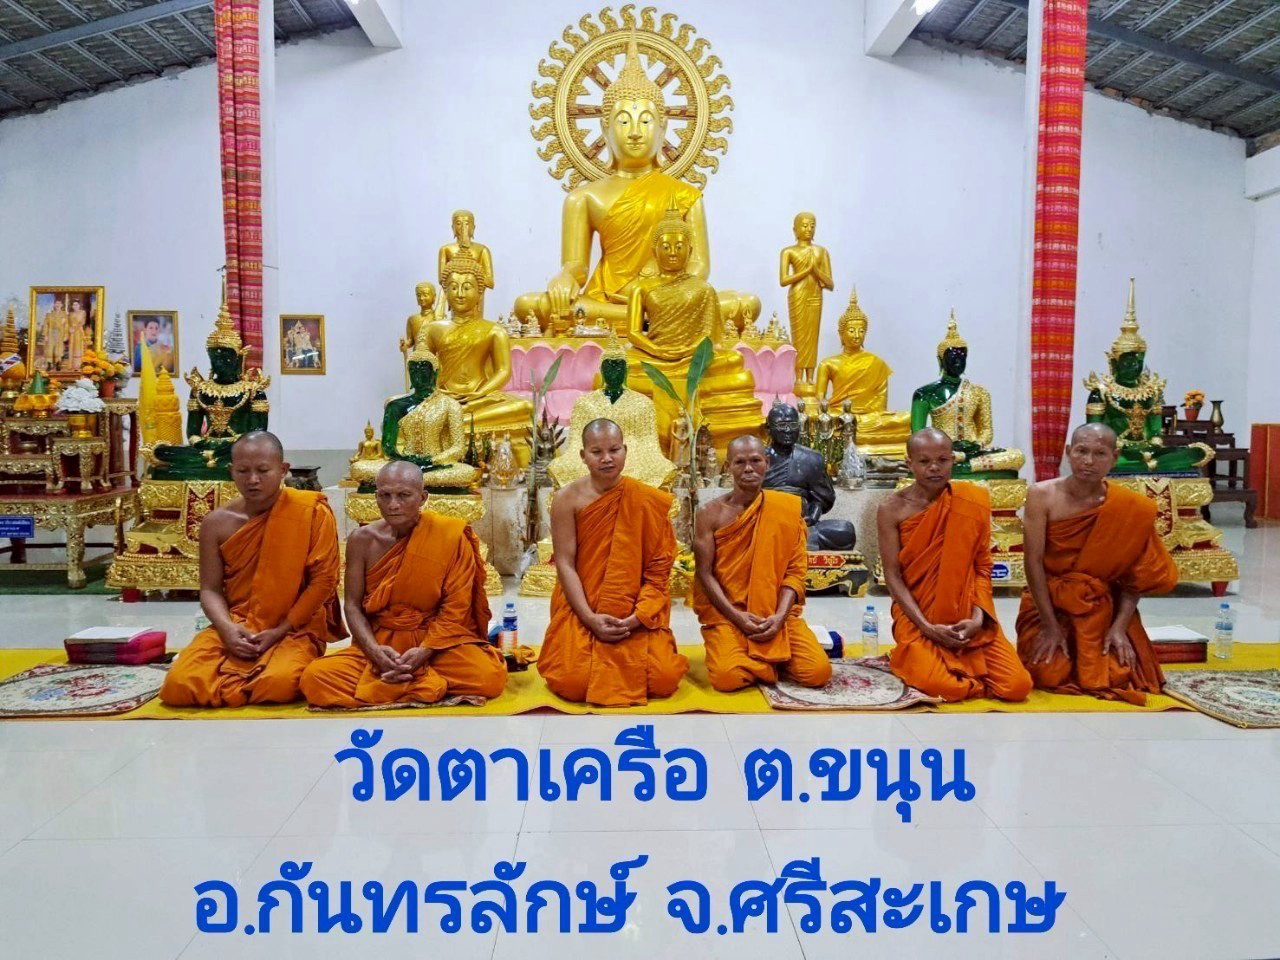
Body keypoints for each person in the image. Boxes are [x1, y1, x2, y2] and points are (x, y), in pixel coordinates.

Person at [300, 460, 507, 707]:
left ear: (422, 498)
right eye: (385, 496)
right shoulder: (362, 540)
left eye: (403, 495)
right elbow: (352, 606)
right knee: (315, 678)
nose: (393, 505)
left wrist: (425, 651)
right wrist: (375, 653)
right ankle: (423, 686)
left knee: (488, 677)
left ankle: (389, 686)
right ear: (376, 497)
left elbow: (455, 608)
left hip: (436, 643)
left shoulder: (449, 536)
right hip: (382, 641)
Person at [159, 431, 344, 707]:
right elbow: (210, 589)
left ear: (283, 470)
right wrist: (227, 630)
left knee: (278, 684)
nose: (252, 480)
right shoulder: (217, 522)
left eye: (263, 471)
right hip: (238, 622)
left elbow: (324, 582)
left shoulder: (311, 511)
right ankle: (236, 682)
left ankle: (233, 685)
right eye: (243, 471)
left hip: (295, 626)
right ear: (231, 471)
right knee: (179, 685)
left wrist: (280, 630)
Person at [1017, 423, 1178, 704]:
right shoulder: (1042, 495)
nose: (1088, 461)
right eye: (1081, 451)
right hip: (1051, 603)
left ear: (1114, 457)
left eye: (1100, 453)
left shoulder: (1130, 507)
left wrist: (1119, 627)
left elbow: (1134, 576)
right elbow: (1033, 562)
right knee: (1048, 672)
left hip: (1102, 607)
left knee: (1119, 674)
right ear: (1068, 452)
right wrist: (1050, 625)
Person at [538, 418, 688, 706]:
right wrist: (589, 618)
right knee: (572, 681)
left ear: (625, 451)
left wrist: (637, 618)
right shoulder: (567, 499)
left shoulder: (646, 500)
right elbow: (565, 564)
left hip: (635, 610)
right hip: (584, 605)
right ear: (583, 455)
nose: (606, 458)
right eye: (597, 452)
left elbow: (658, 572)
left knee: (664, 679)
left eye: (614, 450)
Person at [877, 428, 1032, 702]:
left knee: (1017, 686)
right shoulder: (892, 509)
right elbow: (893, 576)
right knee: (948, 688)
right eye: (924, 461)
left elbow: (982, 567)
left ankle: (957, 666)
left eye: (942, 460)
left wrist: (977, 618)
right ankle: (915, 656)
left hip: (967, 615)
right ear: (909, 463)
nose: (934, 468)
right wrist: (926, 627)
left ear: (953, 460)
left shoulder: (972, 500)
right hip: (918, 616)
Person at [693, 435, 832, 692]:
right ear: (728, 467)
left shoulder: (786, 508)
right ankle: (771, 664)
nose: (748, 468)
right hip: (729, 614)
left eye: (755, 461)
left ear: (767, 463)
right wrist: (736, 616)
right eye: (740, 462)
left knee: (818, 673)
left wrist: (779, 617)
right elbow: (704, 574)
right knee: (727, 678)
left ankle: (761, 662)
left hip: (775, 614)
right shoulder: (709, 514)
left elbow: (795, 572)